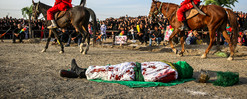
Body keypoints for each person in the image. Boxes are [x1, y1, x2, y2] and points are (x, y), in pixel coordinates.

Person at [60, 59, 193, 83]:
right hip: (133, 69)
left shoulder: (171, 71)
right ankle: (81, 70)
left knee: (107, 72)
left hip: (133, 71)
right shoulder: (170, 69)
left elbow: (159, 79)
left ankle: (78, 72)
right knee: (108, 70)